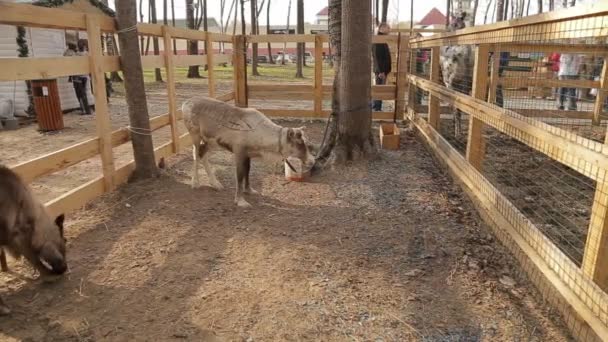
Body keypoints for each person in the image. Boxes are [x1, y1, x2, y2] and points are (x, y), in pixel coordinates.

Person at [64, 42, 91, 115]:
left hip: (77, 77)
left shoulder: (75, 55)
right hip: (84, 76)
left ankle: (85, 110)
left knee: (79, 94)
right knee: (83, 93)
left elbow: (65, 56)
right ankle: (87, 109)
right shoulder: (87, 54)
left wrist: (68, 49)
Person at [372, 23, 391, 111]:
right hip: (381, 71)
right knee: (379, 89)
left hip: (382, 71)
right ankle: (376, 108)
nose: (390, 29)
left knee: (380, 89)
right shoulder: (378, 40)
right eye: (388, 28)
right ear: (381, 29)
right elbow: (377, 56)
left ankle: (377, 107)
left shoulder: (382, 39)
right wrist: (381, 71)